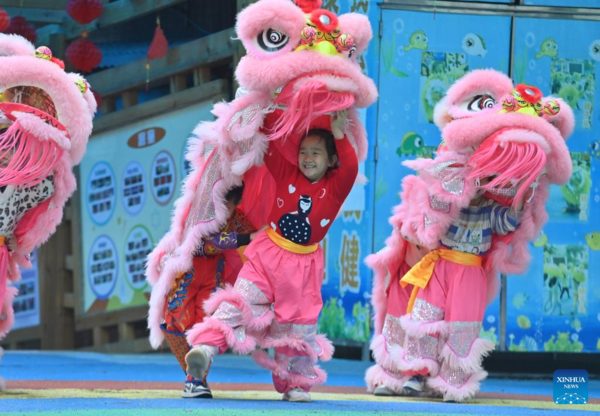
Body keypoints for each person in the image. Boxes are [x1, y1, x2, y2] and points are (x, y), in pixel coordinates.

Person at [184, 111, 358, 402]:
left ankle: (296, 384)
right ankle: (200, 361)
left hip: (303, 267)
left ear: (331, 160)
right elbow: (274, 143)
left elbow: (351, 167)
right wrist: (264, 106)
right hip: (267, 256)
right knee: (237, 305)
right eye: (303, 151)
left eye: (316, 152)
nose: (307, 158)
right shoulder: (286, 171)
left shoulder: (336, 186)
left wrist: (339, 133)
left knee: (298, 327)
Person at [394, 177, 528, 402]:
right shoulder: (449, 203)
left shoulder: (489, 209)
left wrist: (524, 189)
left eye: (481, 179)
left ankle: (453, 382)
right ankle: (419, 373)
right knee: (425, 314)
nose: (475, 183)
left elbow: (510, 222)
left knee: (462, 326)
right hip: (441, 265)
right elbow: (430, 214)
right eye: (471, 177)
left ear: (487, 182)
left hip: (470, 272)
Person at [161, 184, 258, 399]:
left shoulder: (238, 220)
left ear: (236, 204)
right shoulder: (195, 211)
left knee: (206, 326)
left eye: (228, 207)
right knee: (175, 322)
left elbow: (257, 238)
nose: (220, 213)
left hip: (214, 273)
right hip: (184, 271)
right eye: (217, 205)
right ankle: (195, 377)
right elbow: (210, 244)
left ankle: (195, 380)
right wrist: (247, 238)